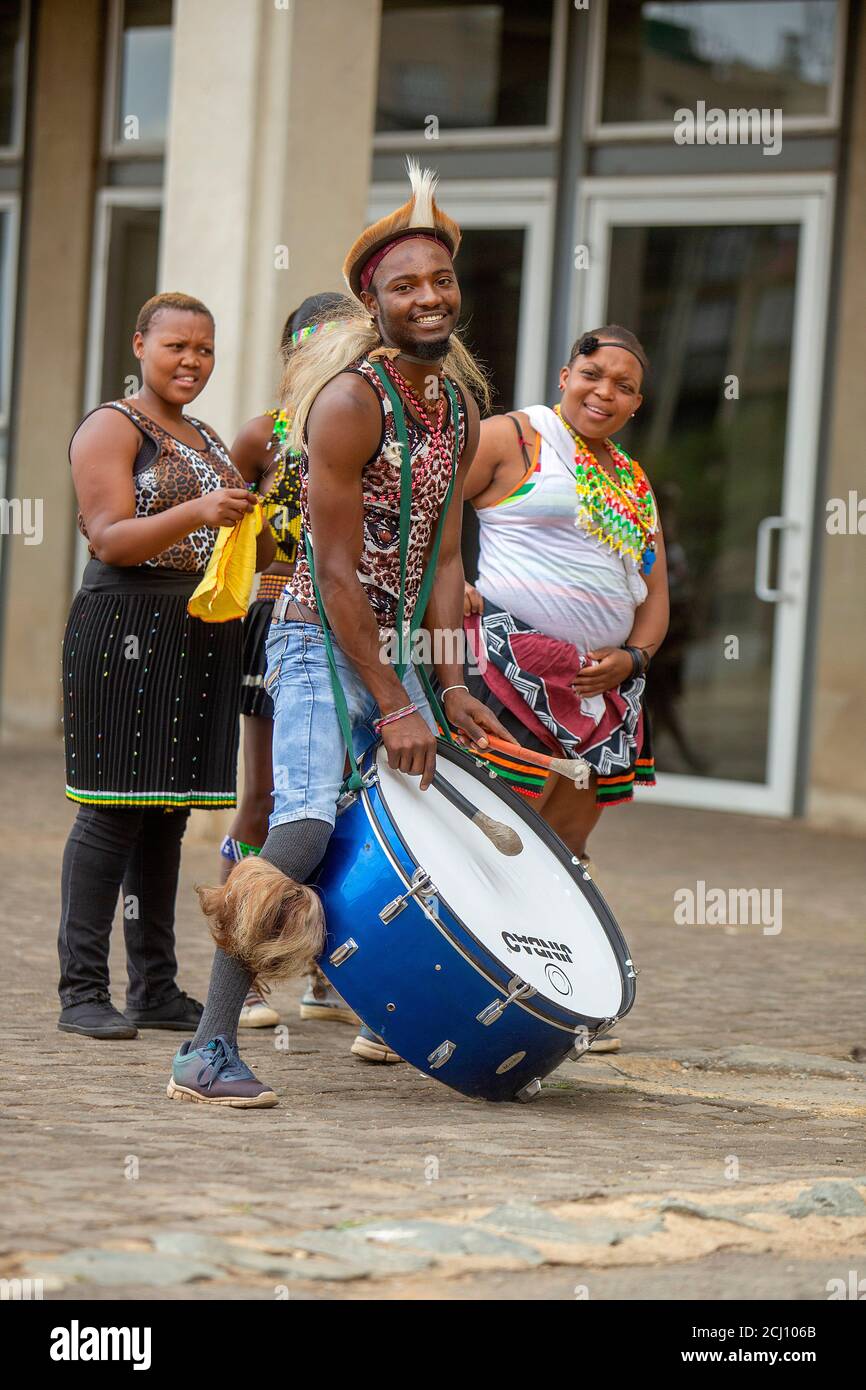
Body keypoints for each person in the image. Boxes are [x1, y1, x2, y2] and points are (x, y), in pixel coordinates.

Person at [166, 162, 508, 1106]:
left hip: (392, 645)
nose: (428, 297)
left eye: (440, 280)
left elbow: (442, 560)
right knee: (307, 818)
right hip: (316, 631)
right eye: (406, 285)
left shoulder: (463, 409)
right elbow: (332, 569)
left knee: (398, 821)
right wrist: (397, 701)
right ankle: (205, 1049)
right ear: (373, 300)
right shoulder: (349, 403)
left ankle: (399, 1018)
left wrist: (449, 682)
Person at [59, 291, 273, 1040]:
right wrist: (198, 512)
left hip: (197, 629)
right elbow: (110, 537)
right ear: (139, 344)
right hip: (126, 621)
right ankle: (81, 990)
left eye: (205, 350)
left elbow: (235, 536)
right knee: (112, 812)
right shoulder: (111, 426)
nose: (192, 361)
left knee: (165, 817)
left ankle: (154, 988)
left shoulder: (209, 436)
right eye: (176, 346)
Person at [462, 327, 669, 1048]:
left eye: (622, 385)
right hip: (509, 666)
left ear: (637, 404)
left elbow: (654, 594)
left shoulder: (633, 480)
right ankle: (448, 995)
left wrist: (635, 659)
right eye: (592, 374)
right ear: (564, 374)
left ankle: (555, 997)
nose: (603, 392)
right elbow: (425, 523)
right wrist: (447, 594)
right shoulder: (512, 437)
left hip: (605, 692)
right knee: (498, 832)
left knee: (570, 840)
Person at [218, 291, 357, 1031]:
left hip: (356, 622)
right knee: (266, 794)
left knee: (346, 799)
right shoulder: (262, 437)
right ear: (288, 355)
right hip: (278, 616)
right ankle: (241, 968)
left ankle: (332, 974)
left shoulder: (365, 424)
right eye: (308, 345)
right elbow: (230, 539)